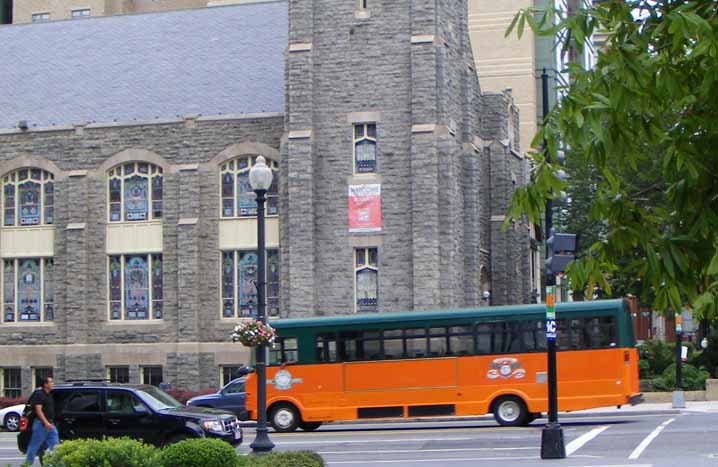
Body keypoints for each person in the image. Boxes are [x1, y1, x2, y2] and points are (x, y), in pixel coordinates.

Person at [24, 376, 59, 466]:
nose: (53, 384)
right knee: (34, 446)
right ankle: (27, 464)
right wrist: (45, 422)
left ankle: (57, 464)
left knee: (55, 447)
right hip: (41, 425)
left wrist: (49, 423)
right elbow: (38, 410)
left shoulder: (49, 394)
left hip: (50, 425)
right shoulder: (39, 394)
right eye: (51, 382)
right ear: (45, 384)